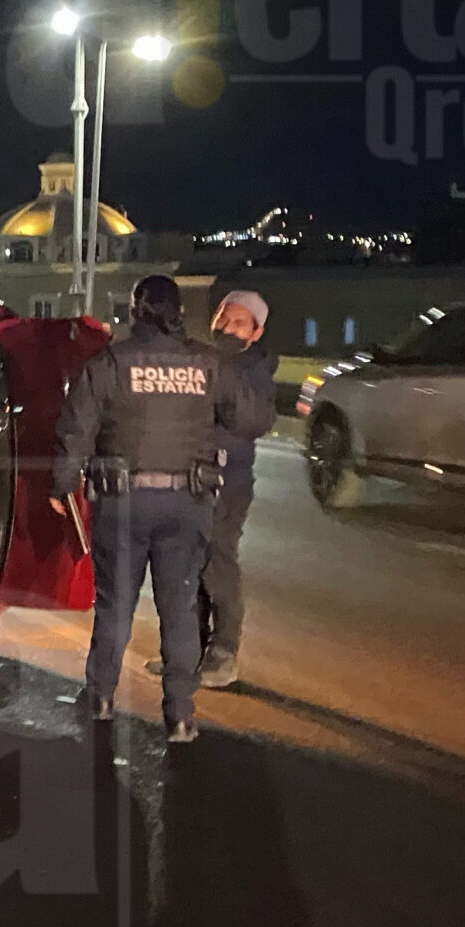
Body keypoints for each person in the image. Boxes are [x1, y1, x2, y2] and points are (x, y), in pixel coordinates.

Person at [52, 275, 263, 743]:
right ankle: (180, 715)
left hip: (122, 502)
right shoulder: (206, 363)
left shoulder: (111, 361)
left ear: (136, 310)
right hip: (186, 504)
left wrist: (62, 483)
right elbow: (248, 419)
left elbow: (76, 427)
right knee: (180, 608)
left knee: (115, 607)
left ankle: (101, 698)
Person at [145, 289, 274, 688]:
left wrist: (225, 370)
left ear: (256, 332)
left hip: (226, 481)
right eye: (223, 319)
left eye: (239, 323)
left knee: (218, 562)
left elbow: (252, 422)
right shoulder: (200, 359)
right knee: (186, 565)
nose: (228, 329)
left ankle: (224, 651)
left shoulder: (254, 369)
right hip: (187, 478)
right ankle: (189, 650)